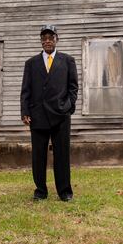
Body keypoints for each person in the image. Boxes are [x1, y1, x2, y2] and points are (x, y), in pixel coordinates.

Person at [20, 25, 78, 201]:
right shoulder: (31, 63)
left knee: (62, 155)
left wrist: (68, 106)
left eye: (50, 38)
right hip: (37, 116)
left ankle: (65, 192)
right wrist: (25, 111)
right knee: (38, 156)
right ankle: (40, 191)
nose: (47, 41)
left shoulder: (68, 61)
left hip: (61, 116)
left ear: (56, 39)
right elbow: (26, 90)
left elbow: (73, 88)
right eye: (44, 38)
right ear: (41, 41)